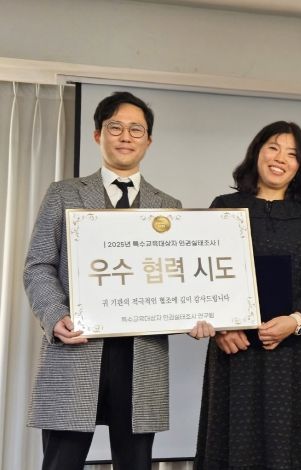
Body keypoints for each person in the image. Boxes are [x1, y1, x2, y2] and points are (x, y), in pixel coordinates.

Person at [23, 91, 214, 470]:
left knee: (135, 463)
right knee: (62, 461)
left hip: (141, 358)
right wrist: (54, 315)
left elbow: (179, 281)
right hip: (77, 348)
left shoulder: (169, 206)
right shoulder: (64, 193)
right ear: (98, 135)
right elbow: (38, 265)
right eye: (116, 127)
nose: (126, 136)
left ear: (148, 141)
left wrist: (198, 313)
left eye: (136, 130)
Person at [194, 121, 301, 469]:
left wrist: (295, 321)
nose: (280, 158)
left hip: (292, 351)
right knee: (235, 443)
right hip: (235, 348)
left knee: (294, 445)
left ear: (300, 165)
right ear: (257, 152)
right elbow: (205, 274)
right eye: (273, 147)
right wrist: (221, 328)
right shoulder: (224, 206)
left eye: (292, 153)